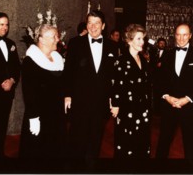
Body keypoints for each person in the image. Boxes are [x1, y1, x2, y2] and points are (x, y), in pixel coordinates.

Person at [63, 10, 118, 170]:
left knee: (96, 139)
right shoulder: (75, 43)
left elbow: (113, 76)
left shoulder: (112, 46)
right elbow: (68, 72)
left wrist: (113, 100)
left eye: (97, 23)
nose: (93, 27)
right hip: (79, 101)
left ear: (103, 26)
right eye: (90, 23)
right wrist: (67, 95)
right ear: (86, 25)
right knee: (77, 139)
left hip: (100, 103)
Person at [19, 24, 66, 159]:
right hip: (40, 117)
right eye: (54, 36)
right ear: (42, 39)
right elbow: (29, 92)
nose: (58, 39)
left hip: (56, 115)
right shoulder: (31, 61)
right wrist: (34, 118)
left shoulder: (57, 58)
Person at [111, 24, 152, 159]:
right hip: (127, 108)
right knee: (126, 142)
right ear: (129, 40)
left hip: (142, 108)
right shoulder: (121, 61)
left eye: (143, 39)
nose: (143, 42)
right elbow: (116, 85)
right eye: (139, 39)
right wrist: (115, 104)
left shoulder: (144, 60)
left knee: (142, 141)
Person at [156, 23, 193, 159]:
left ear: (190, 36)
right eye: (178, 34)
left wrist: (188, 98)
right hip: (169, 105)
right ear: (174, 36)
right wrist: (167, 96)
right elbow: (159, 80)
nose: (181, 38)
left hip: (189, 106)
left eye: (185, 35)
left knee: (190, 144)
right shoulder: (167, 54)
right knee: (163, 142)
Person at [0, 12, 20, 158]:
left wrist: (12, 81)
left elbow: (17, 68)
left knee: (1, 124)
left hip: (7, 94)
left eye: (7, 24)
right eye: (2, 24)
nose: (5, 27)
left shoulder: (11, 44)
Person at [150, 37, 169, 115]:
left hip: (164, 78)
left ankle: (163, 111)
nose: (162, 45)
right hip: (155, 78)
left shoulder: (168, 53)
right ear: (157, 44)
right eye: (161, 43)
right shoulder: (153, 52)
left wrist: (163, 64)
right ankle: (156, 111)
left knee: (163, 95)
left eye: (164, 44)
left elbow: (169, 65)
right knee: (155, 95)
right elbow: (150, 64)